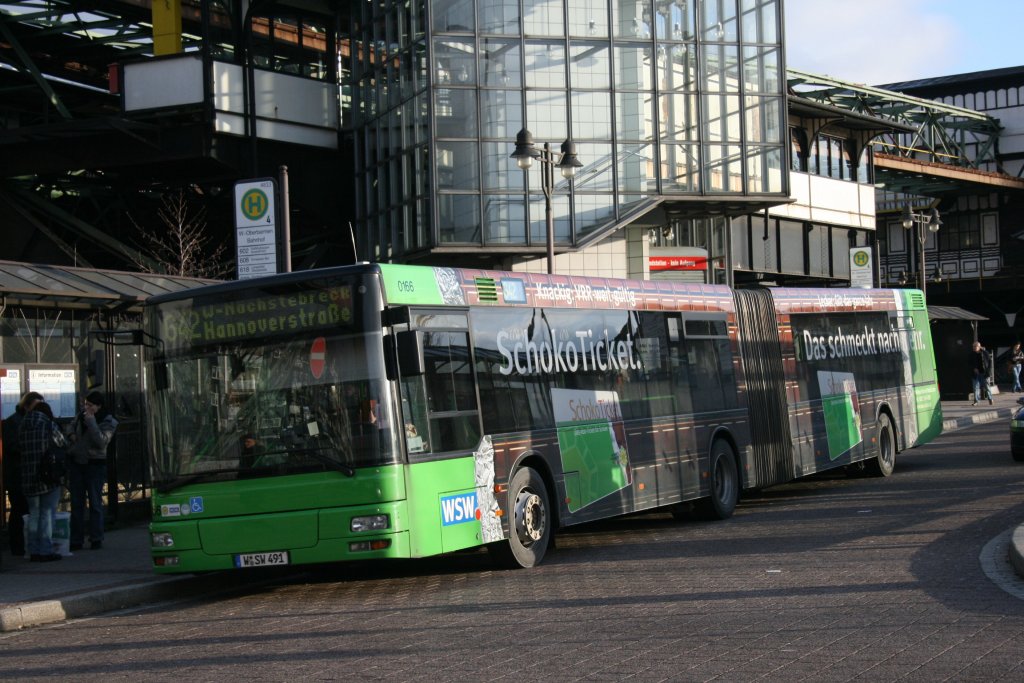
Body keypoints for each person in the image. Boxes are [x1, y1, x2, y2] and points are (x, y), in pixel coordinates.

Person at [68, 391, 118, 551]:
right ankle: (76, 539)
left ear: (99, 406)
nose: (87, 408)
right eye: (85, 404)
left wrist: (91, 423)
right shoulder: (80, 416)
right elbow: (70, 426)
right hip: (78, 462)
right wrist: (71, 435)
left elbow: (102, 442)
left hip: (95, 464)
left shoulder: (108, 420)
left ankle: (96, 537)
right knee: (76, 503)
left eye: (90, 405)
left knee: (95, 502)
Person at [18, 401, 62, 562]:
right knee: (47, 514)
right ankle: (46, 550)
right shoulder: (49, 425)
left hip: (28, 477)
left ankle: (33, 550)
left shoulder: (23, 425)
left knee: (34, 514)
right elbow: (61, 442)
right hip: (47, 477)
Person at [2, 391, 43, 558]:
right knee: (19, 509)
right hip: (17, 473)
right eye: (35, 406)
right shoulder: (12, 422)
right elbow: (12, 446)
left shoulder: (32, 420)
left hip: (28, 472)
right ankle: (17, 546)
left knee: (29, 509)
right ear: (26, 406)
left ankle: (27, 545)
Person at [970, 341, 993, 406]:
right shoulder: (971, 354)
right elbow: (969, 363)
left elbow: (990, 362)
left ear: (979, 347)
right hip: (975, 374)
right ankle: (977, 401)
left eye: (975, 346)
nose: (974, 348)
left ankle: (990, 398)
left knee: (987, 387)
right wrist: (973, 368)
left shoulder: (985, 353)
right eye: (973, 346)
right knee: (975, 388)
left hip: (984, 373)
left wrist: (988, 371)